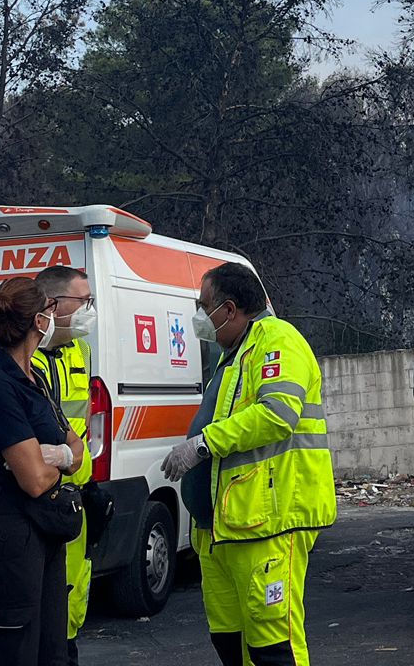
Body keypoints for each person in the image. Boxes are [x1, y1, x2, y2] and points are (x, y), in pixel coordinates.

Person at [160, 262, 334, 666]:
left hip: (268, 525)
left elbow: (277, 413)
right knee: (230, 643)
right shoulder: (234, 353)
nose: (199, 316)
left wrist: (203, 445)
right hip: (225, 528)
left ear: (230, 308)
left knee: (273, 647)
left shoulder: (277, 340)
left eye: (203, 306)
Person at [0, 265, 96, 664]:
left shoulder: (32, 379)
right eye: (51, 312)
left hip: (45, 532)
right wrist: (58, 456)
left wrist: (55, 454)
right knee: (13, 652)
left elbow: (74, 446)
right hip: (11, 534)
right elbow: (35, 479)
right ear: (41, 320)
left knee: (50, 651)